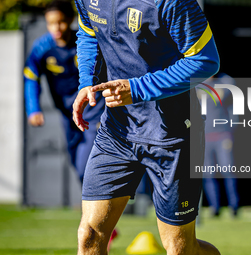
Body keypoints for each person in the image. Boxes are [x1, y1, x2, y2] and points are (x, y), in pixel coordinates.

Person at [73, 0, 220, 254]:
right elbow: (88, 29)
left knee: (179, 248)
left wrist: (138, 88)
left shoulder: (171, 2)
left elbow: (205, 60)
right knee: (89, 235)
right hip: (117, 131)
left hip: (172, 134)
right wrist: (87, 79)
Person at [23, 0, 118, 250]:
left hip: (94, 114)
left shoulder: (85, 42)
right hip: (69, 117)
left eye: (62, 22)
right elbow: (30, 77)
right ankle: (103, 220)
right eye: (51, 23)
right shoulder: (42, 48)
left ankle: (102, 223)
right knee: (78, 166)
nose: (57, 27)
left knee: (89, 164)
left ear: (70, 20)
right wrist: (33, 109)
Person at [200, 73, 239, 217]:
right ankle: (214, 207)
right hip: (205, 136)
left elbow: (232, 104)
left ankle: (234, 207)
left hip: (223, 135)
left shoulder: (225, 82)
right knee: (208, 174)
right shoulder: (198, 84)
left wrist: (231, 132)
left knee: (228, 171)